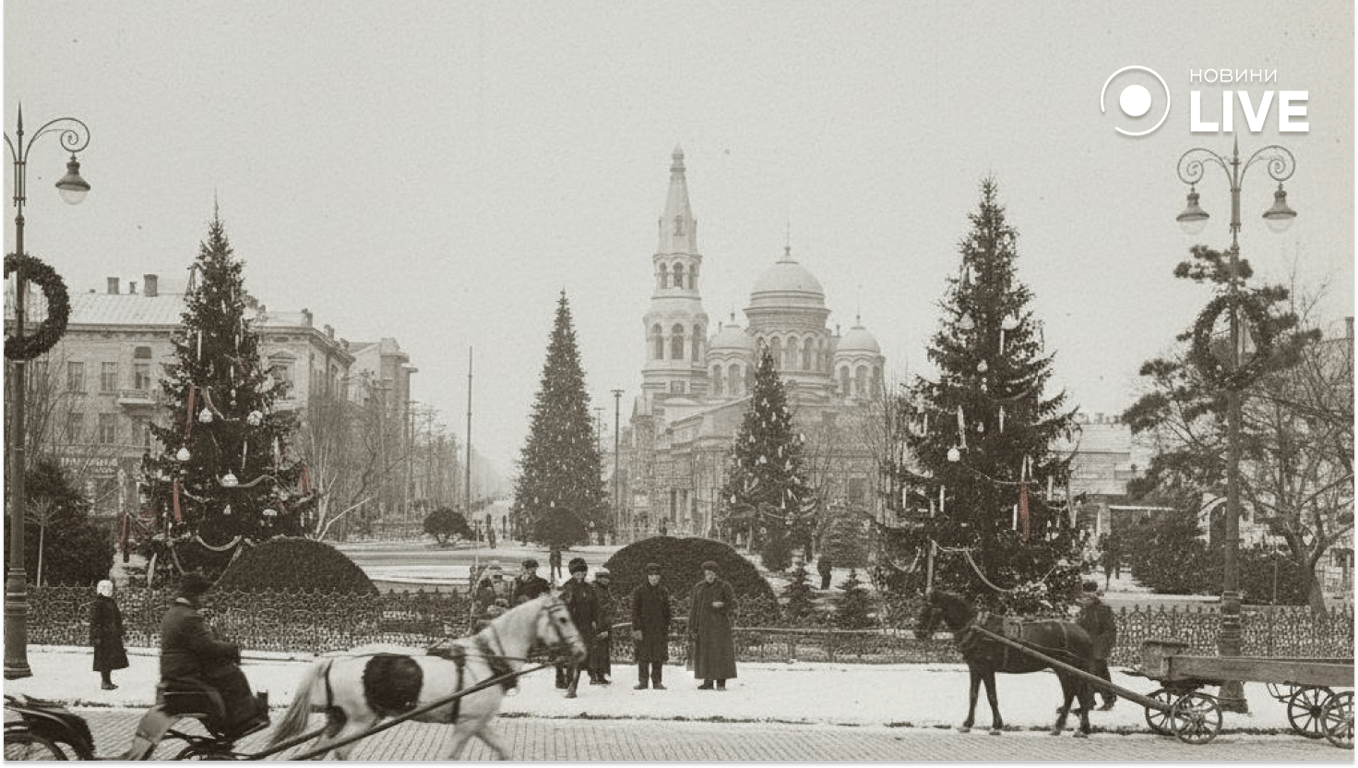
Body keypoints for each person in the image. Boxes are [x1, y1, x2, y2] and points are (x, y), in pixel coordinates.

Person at [160, 572, 268, 735]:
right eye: (203, 595)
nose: (205, 599)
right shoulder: (188, 616)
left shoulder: (174, 613)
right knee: (233, 675)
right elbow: (206, 647)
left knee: (224, 672)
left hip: (175, 669)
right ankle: (240, 722)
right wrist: (232, 649)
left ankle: (235, 719)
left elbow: (200, 645)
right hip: (185, 671)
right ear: (194, 594)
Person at [556, 557, 602, 698]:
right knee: (573, 658)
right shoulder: (567, 587)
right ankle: (571, 685)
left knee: (581, 657)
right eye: (576, 572)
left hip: (586, 627)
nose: (579, 574)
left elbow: (595, 606)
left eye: (582, 571)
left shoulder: (589, 588)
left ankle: (572, 684)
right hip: (572, 627)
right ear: (572, 573)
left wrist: (595, 620)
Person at [688, 560, 737, 691]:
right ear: (704, 574)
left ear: (716, 574)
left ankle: (721, 682)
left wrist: (722, 605)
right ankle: (708, 681)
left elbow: (733, 606)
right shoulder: (699, 587)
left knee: (721, 653)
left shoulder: (724, 586)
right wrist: (692, 626)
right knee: (705, 653)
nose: (709, 575)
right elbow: (694, 608)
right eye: (707, 573)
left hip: (720, 627)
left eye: (712, 573)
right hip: (703, 626)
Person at [1076, 579, 1118, 710]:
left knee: (1100, 674)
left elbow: (1110, 631)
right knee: (1085, 676)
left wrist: (1099, 649)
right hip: (1085, 649)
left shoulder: (1103, 609)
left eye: (1088, 596)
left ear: (1094, 595)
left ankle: (1109, 700)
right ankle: (1088, 702)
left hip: (1098, 649)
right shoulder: (1084, 611)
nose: (1085, 599)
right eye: (1084, 596)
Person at [630, 562, 672, 690]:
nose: (654, 578)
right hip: (644, 629)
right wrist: (637, 628)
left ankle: (657, 681)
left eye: (656, 575)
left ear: (659, 577)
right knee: (643, 656)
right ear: (647, 577)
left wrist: (667, 625)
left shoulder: (663, 591)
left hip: (659, 629)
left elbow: (667, 611)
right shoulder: (639, 591)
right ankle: (643, 682)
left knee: (657, 656)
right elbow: (635, 611)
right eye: (651, 575)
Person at [90, 579, 129, 690]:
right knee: (104, 660)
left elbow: (117, 618)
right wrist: (96, 636)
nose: (110, 590)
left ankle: (108, 681)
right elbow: (95, 621)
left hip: (112, 636)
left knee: (110, 660)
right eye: (107, 588)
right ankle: (104, 682)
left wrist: (120, 631)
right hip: (103, 636)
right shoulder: (98, 603)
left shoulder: (111, 602)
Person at [588, 568, 615, 685]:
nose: (605, 580)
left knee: (603, 652)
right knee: (595, 651)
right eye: (602, 578)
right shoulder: (594, 590)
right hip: (597, 625)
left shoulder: (605, 590)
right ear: (598, 578)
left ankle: (601, 675)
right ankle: (593, 676)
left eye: (606, 578)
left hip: (604, 624)